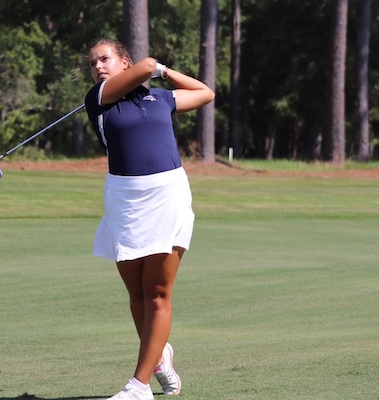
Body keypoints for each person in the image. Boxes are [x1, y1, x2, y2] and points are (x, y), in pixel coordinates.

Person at [84, 38, 215, 400]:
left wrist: (164, 73)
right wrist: (151, 68)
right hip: (124, 200)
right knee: (137, 293)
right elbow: (146, 66)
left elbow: (205, 93)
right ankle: (160, 353)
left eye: (105, 59)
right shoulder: (98, 99)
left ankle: (138, 386)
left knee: (157, 293)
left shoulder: (161, 98)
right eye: (93, 62)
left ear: (123, 60)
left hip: (167, 195)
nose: (98, 66)